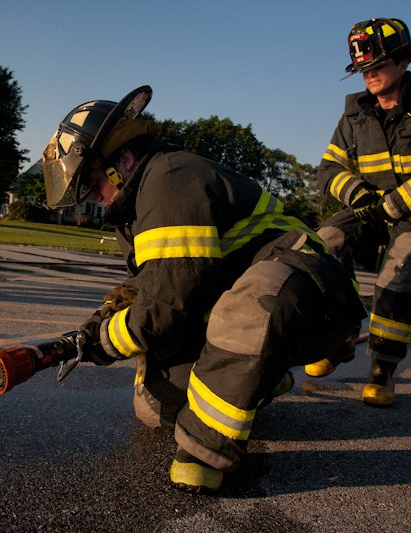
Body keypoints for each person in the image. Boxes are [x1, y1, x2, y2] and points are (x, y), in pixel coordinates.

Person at [41, 86, 366, 493]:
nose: (95, 201)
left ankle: (204, 454)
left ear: (121, 161)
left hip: (311, 292)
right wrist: (96, 325)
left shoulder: (170, 179)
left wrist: (103, 344)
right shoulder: (136, 210)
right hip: (261, 298)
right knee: (156, 406)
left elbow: (164, 308)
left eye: (91, 184)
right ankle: (262, 375)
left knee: (248, 312)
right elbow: (149, 288)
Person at [305, 18, 411, 407]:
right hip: (372, 211)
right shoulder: (353, 116)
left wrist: (399, 202)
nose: (369, 75)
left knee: (399, 265)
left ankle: (382, 368)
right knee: (322, 245)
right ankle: (340, 338)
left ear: (403, 62)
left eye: (377, 66)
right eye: (364, 69)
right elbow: (328, 170)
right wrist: (359, 194)